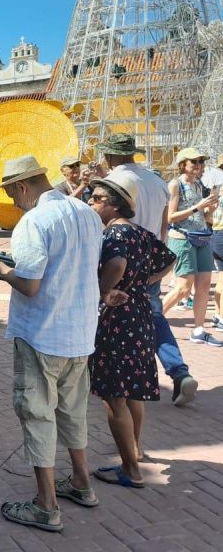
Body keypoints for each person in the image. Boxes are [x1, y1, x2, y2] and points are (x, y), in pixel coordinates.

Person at [0, 155, 101, 533]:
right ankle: (82, 482)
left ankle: (46, 505)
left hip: (43, 332)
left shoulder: (33, 221)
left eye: (11, 194)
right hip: (79, 331)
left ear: (23, 186)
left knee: (38, 413)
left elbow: (30, 283)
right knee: (73, 409)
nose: (12, 203)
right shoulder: (87, 213)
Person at [96, 133, 199, 406]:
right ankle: (176, 371)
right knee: (150, 318)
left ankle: (116, 383)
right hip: (149, 260)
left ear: (112, 156)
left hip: (117, 259)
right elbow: (164, 227)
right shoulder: (156, 180)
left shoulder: (113, 183)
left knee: (111, 321)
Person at [86, 173, 175, 488]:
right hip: (139, 314)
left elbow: (117, 264)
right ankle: (134, 452)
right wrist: (143, 284)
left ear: (113, 204)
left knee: (114, 396)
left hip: (117, 318)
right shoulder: (140, 232)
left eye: (96, 198)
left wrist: (103, 291)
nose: (91, 203)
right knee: (133, 390)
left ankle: (131, 470)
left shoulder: (115, 235)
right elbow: (169, 260)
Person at [160, 148, 220, 346]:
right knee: (183, 289)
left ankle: (199, 329)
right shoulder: (175, 185)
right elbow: (170, 217)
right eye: (194, 162)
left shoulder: (199, 184)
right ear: (182, 165)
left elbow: (205, 218)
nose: (199, 166)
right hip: (182, 238)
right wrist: (198, 207)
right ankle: (151, 321)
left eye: (201, 162)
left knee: (203, 287)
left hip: (202, 237)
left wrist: (210, 209)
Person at [202, 153, 223, 328]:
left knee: (222, 277)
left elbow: (208, 217)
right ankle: (219, 315)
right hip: (221, 233)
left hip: (216, 232)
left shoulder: (215, 190)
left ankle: (218, 314)